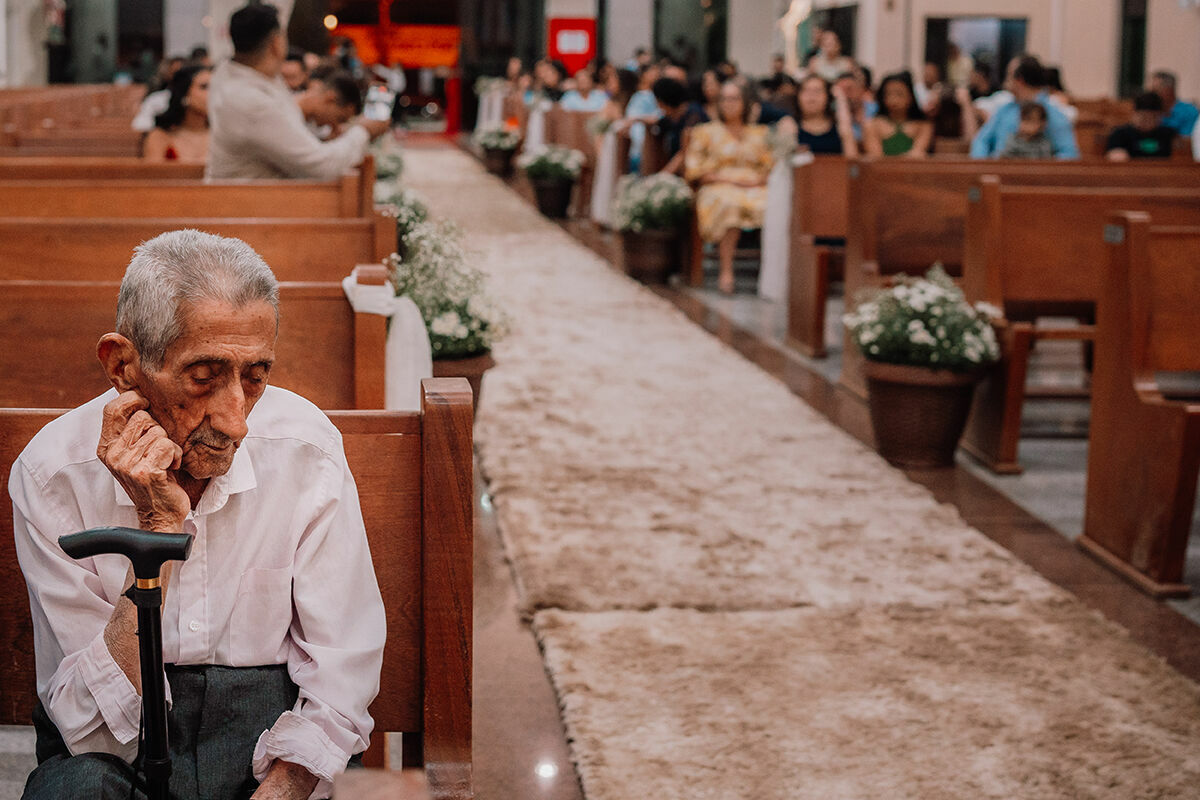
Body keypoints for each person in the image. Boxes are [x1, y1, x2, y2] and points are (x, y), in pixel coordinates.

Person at [12, 230, 386, 800]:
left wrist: (281, 790)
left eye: (256, 376)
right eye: (204, 377)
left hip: (275, 752)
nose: (236, 421)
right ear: (123, 366)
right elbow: (90, 732)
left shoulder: (307, 452)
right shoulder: (52, 475)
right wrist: (158, 531)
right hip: (116, 757)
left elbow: (341, 678)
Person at [206, 3, 388, 180]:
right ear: (276, 43)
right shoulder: (251, 100)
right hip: (254, 199)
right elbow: (322, 167)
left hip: (258, 194)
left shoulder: (230, 76)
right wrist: (363, 130)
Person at [685, 81, 775, 295]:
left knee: (775, 207)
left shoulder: (760, 133)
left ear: (745, 102)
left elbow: (771, 166)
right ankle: (726, 271)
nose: (729, 104)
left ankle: (770, 273)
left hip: (755, 185)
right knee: (730, 204)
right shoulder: (705, 132)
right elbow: (695, 168)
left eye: (734, 98)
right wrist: (728, 180)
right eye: (724, 99)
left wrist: (757, 181)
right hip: (718, 185)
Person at [969, 55, 1079, 159]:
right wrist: (983, 164)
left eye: (1008, 76)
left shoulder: (1052, 114)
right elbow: (981, 141)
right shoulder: (1004, 110)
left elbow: (1069, 154)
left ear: (1019, 81)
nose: (1005, 82)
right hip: (1000, 167)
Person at [143, 64, 211, 163]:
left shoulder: (223, 136)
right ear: (184, 93)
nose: (213, 93)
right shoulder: (160, 136)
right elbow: (154, 171)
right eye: (204, 87)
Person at [864, 73, 932, 157]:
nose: (893, 100)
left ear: (911, 97)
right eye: (888, 94)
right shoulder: (871, 125)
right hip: (882, 165)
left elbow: (917, 154)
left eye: (899, 94)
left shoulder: (924, 125)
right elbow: (876, 158)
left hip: (912, 165)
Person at [651, 76, 707, 174]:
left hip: (696, 168)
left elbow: (684, 152)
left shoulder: (694, 115)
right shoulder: (671, 117)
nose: (658, 106)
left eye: (658, 102)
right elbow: (655, 120)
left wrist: (662, 176)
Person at [793, 74, 857, 155]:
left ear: (828, 97)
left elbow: (852, 159)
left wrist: (841, 99)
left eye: (817, 91)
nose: (811, 96)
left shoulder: (839, 128)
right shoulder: (790, 126)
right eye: (806, 90)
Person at [1105, 91, 1177, 161]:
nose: (1148, 121)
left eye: (1154, 117)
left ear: (1160, 116)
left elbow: (1178, 155)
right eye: (1144, 117)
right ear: (1134, 114)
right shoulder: (1120, 134)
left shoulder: (1168, 134)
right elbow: (1116, 156)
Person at [297, 68, 363, 140]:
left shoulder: (309, 125)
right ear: (330, 98)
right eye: (340, 119)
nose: (336, 127)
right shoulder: (291, 116)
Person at [1149, 70, 1198, 137]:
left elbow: (1188, 139)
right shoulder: (1150, 111)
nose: (1152, 93)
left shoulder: (1189, 111)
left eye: (1155, 90)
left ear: (1169, 90)